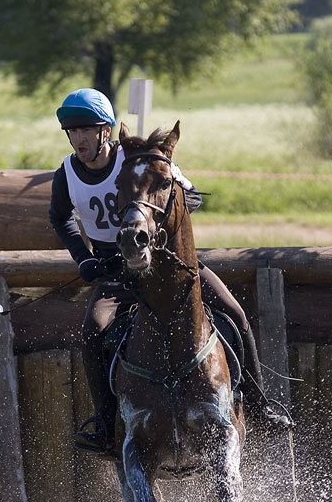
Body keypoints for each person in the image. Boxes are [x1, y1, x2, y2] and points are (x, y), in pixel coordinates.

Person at [49, 88, 292, 453]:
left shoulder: (137, 159)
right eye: (73, 131)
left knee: (234, 312)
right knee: (92, 331)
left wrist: (158, 225)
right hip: (116, 274)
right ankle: (106, 423)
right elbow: (60, 216)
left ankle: (258, 408)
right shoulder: (66, 174)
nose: (79, 138)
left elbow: (189, 195)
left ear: (105, 132)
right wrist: (84, 258)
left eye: (86, 130)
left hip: (170, 265)